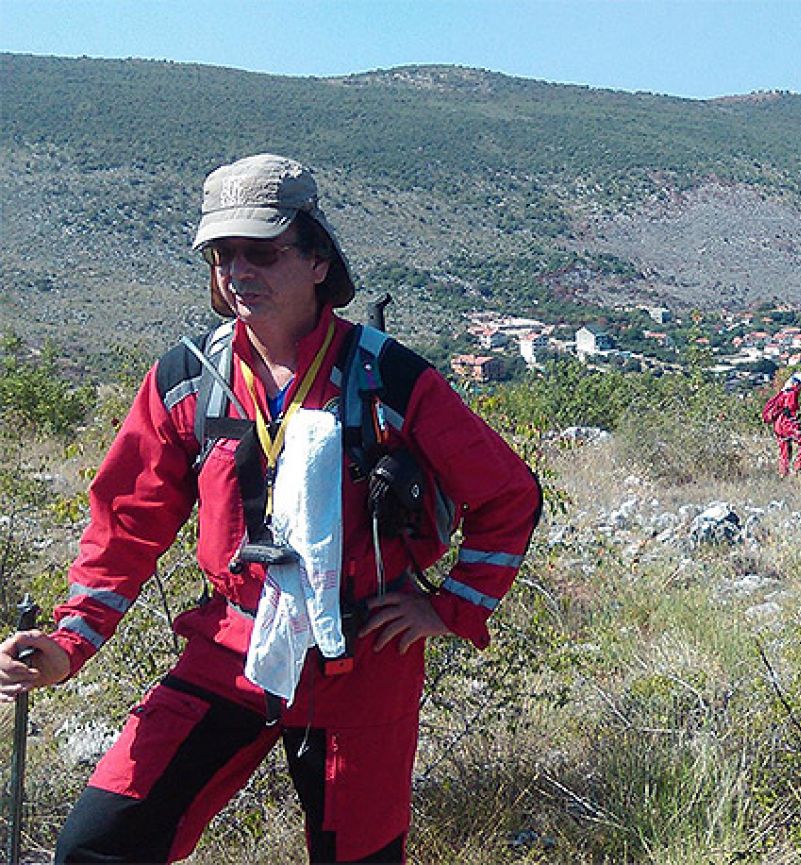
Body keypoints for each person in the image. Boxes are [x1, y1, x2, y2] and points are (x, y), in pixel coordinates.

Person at [0, 154, 542, 864]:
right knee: (99, 845)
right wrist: (69, 641)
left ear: (319, 259)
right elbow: (126, 524)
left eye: (262, 252)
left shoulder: (392, 378)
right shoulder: (189, 377)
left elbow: (509, 497)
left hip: (360, 663)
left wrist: (450, 606)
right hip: (229, 648)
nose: (238, 272)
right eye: (222, 255)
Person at [762, 372, 801, 476]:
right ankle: (799, 469)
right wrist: (798, 427)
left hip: (778, 425)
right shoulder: (792, 394)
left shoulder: (783, 392)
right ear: (797, 384)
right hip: (785, 424)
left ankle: (783, 474)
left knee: (785, 451)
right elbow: (790, 412)